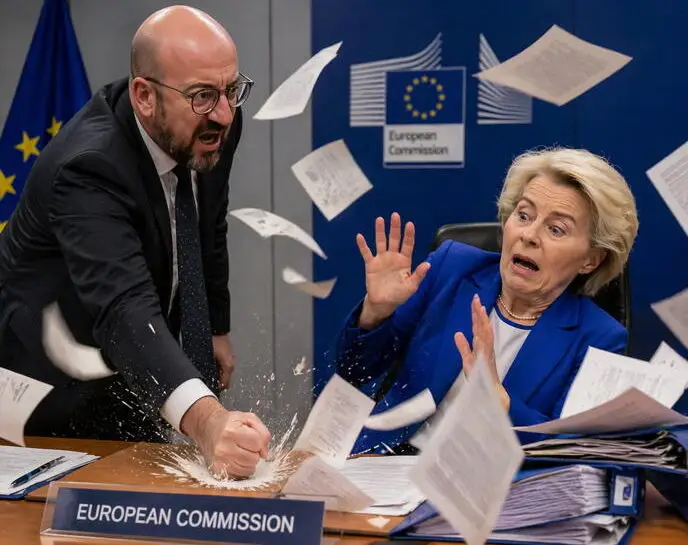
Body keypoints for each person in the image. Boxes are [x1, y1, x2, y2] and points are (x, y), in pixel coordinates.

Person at [0, 6, 270, 478]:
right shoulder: (87, 167)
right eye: (204, 95)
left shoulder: (212, 123)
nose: (225, 113)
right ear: (144, 96)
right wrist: (208, 422)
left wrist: (214, 328)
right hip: (46, 386)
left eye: (232, 90)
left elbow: (208, 223)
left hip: (138, 360)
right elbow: (123, 307)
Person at [329, 147, 639, 454]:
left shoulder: (599, 338)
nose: (529, 235)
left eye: (556, 229)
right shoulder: (451, 269)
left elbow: (572, 451)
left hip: (490, 478)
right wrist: (376, 312)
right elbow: (353, 371)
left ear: (591, 260)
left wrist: (499, 401)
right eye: (524, 215)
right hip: (390, 462)